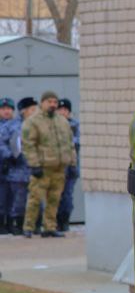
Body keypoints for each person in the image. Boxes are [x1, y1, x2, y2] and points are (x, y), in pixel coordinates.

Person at [22, 90, 77, 237]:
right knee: (35, 198)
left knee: (54, 198)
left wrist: (72, 162)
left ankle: (49, 227)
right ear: (42, 102)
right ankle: (28, 227)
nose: (53, 105)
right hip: (42, 167)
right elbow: (28, 144)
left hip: (59, 168)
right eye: (49, 102)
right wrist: (34, 164)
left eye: (55, 102)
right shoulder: (33, 121)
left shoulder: (62, 121)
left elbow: (70, 143)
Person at [6, 97, 37, 235]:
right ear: (23, 111)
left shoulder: (39, 124)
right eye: (32, 109)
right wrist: (10, 155)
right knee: (19, 201)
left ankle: (34, 225)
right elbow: (3, 143)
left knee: (37, 200)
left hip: (36, 169)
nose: (34, 111)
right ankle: (18, 225)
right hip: (18, 170)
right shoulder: (12, 126)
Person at [55, 98, 80, 233]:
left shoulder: (75, 125)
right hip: (57, 167)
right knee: (57, 195)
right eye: (60, 109)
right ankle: (57, 221)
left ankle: (65, 221)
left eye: (65, 110)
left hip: (71, 168)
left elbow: (78, 141)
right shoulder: (54, 126)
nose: (63, 112)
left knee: (68, 196)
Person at [0, 97, 18, 234]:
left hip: (13, 165)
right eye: (3, 108)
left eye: (9, 109)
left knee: (12, 196)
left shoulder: (17, 125)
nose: (6, 111)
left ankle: (11, 223)